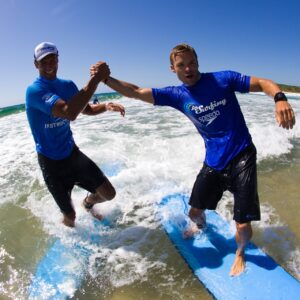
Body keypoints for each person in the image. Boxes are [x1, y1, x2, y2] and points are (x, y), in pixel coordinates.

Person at [91, 43, 296, 276]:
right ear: (173, 69)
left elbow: (263, 83)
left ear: (198, 63)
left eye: (191, 63)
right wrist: (106, 80)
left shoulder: (223, 80)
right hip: (214, 161)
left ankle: (240, 252)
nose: (188, 69)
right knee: (194, 213)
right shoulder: (177, 95)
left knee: (242, 222)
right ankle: (201, 227)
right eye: (181, 65)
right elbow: (136, 92)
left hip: (242, 155)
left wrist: (279, 98)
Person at [26, 42, 125, 228]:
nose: (49, 64)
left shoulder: (67, 85)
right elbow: (69, 112)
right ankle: (73, 244)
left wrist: (105, 106)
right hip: (51, 162)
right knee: (70, 216)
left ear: (58, 59)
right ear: (36, 65)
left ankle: (87, 203)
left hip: (72, 155)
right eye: (43, 61)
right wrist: (96, 79)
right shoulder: (35, 91)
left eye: (52, 59)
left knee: (108, 193)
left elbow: (85, 109)